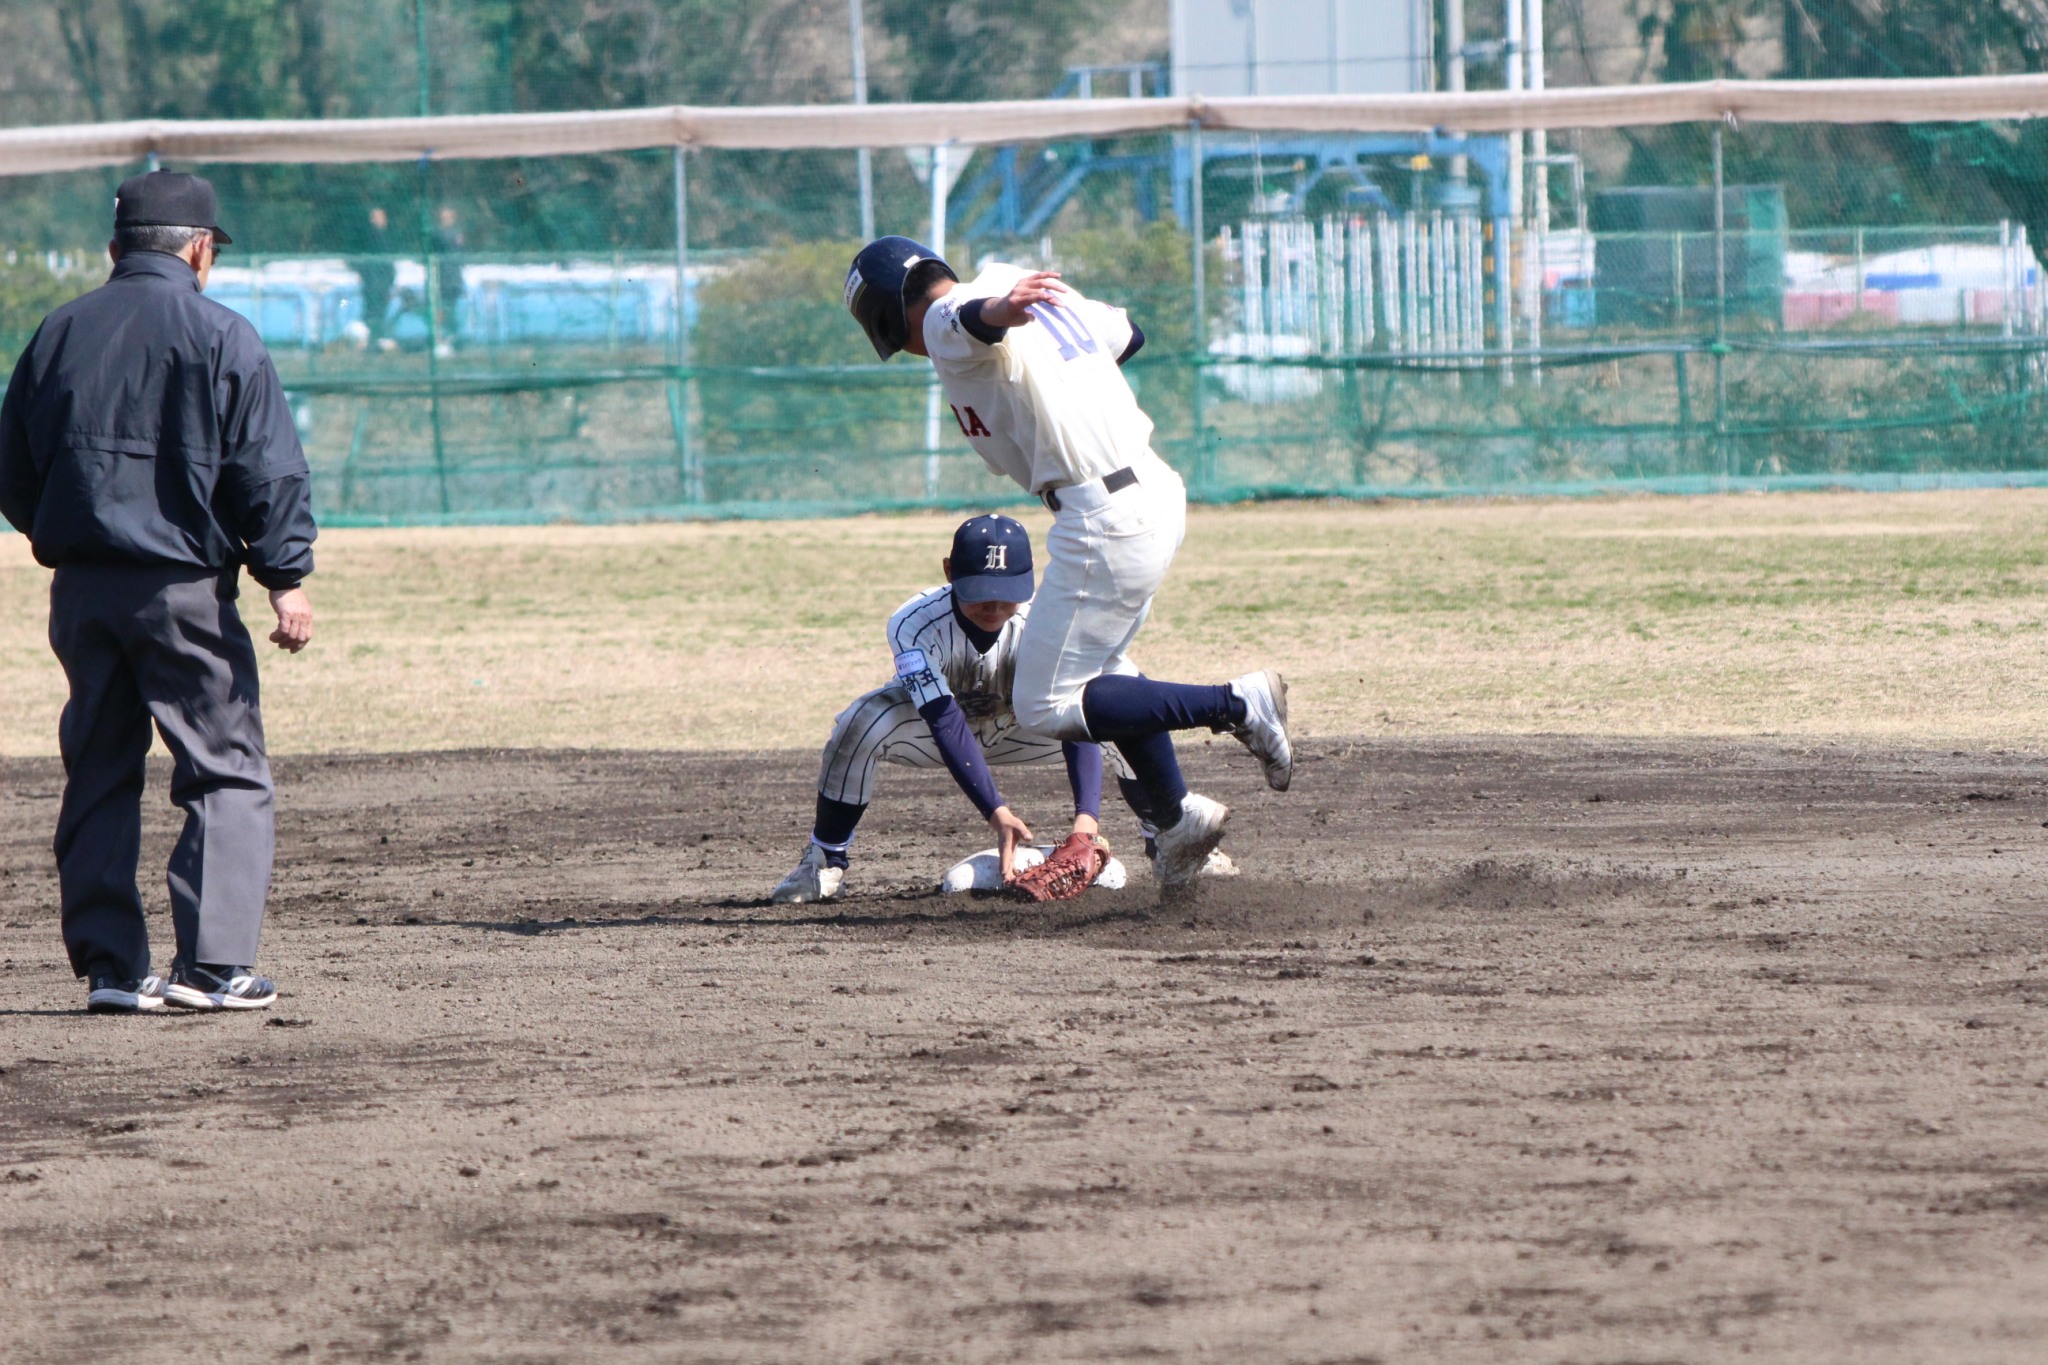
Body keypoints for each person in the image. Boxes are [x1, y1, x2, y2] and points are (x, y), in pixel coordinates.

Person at [843, 237, 1291, 893]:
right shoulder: (1037, 290)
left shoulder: (944, 316)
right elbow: (1128, 335)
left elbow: (962, 317)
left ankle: (1237, 702)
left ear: (888, 314)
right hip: (1152, 491)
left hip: (1099, 514)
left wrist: (998, 312)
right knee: (1104, 673)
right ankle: (1175, 819)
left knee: (1044, 702)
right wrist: (1039, 343)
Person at [0, 170, 317, 1014]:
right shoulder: (222, 334)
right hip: (184, 591)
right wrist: (285, 576)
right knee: (224, 767)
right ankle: (212, 967)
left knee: (99, 769)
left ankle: (112, 969)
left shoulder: (59, 331)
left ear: (116, 249)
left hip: (83, 591)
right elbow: (268, 472)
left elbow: (12, 466)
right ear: (200, 250)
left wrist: (63, 533)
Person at [770, 513, 1234, 903]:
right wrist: (996, 811)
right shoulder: (913, 624)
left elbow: (1079, 714)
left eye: (1008, 589)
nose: (994, 604)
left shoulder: (1047, 620)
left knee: (1123, 703)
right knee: (861, 721)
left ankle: (1171, 840)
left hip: (1028, 729)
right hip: (936, 735)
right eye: (979, 590)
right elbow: (943, 719)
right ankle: (824, 859)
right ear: (949, 572)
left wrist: (1085, 825)